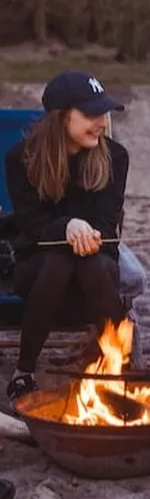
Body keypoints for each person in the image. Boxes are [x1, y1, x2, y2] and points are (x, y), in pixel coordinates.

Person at [4, 70, 129, 406]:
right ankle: (25, 372)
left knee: (88, 261)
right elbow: (31, 227)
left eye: (103, 113)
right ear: (61, 117)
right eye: (90, 114)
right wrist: (67, 226)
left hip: (96, 266)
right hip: (38, 268)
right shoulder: (22, 158)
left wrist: (87, 233)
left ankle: (116, 367)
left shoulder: (115, 157)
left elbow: (106, 223)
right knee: (59, 260)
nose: (101, 122)